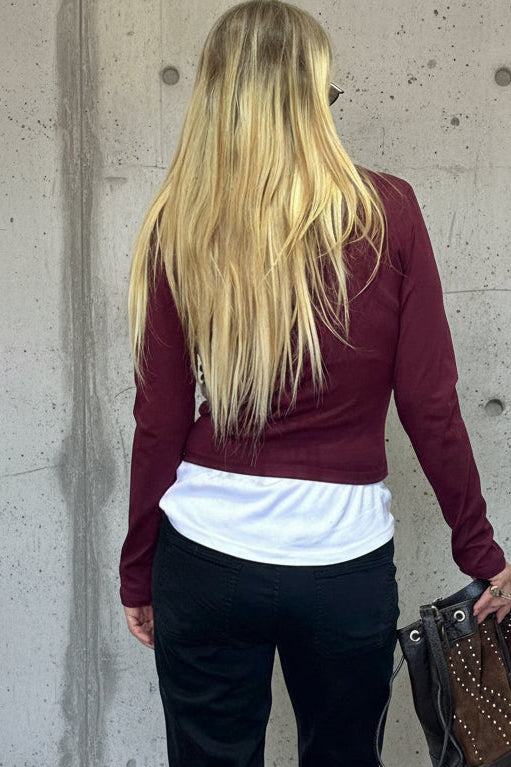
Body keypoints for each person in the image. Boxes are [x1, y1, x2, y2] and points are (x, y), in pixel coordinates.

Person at [118, 1, 511, 765]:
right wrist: (478, 548)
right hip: (341, 563)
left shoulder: (180, 223)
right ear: (310, 97)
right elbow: (428, 402)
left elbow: (159, 419)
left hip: (204, 557)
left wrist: (138, 569)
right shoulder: (387, 210)